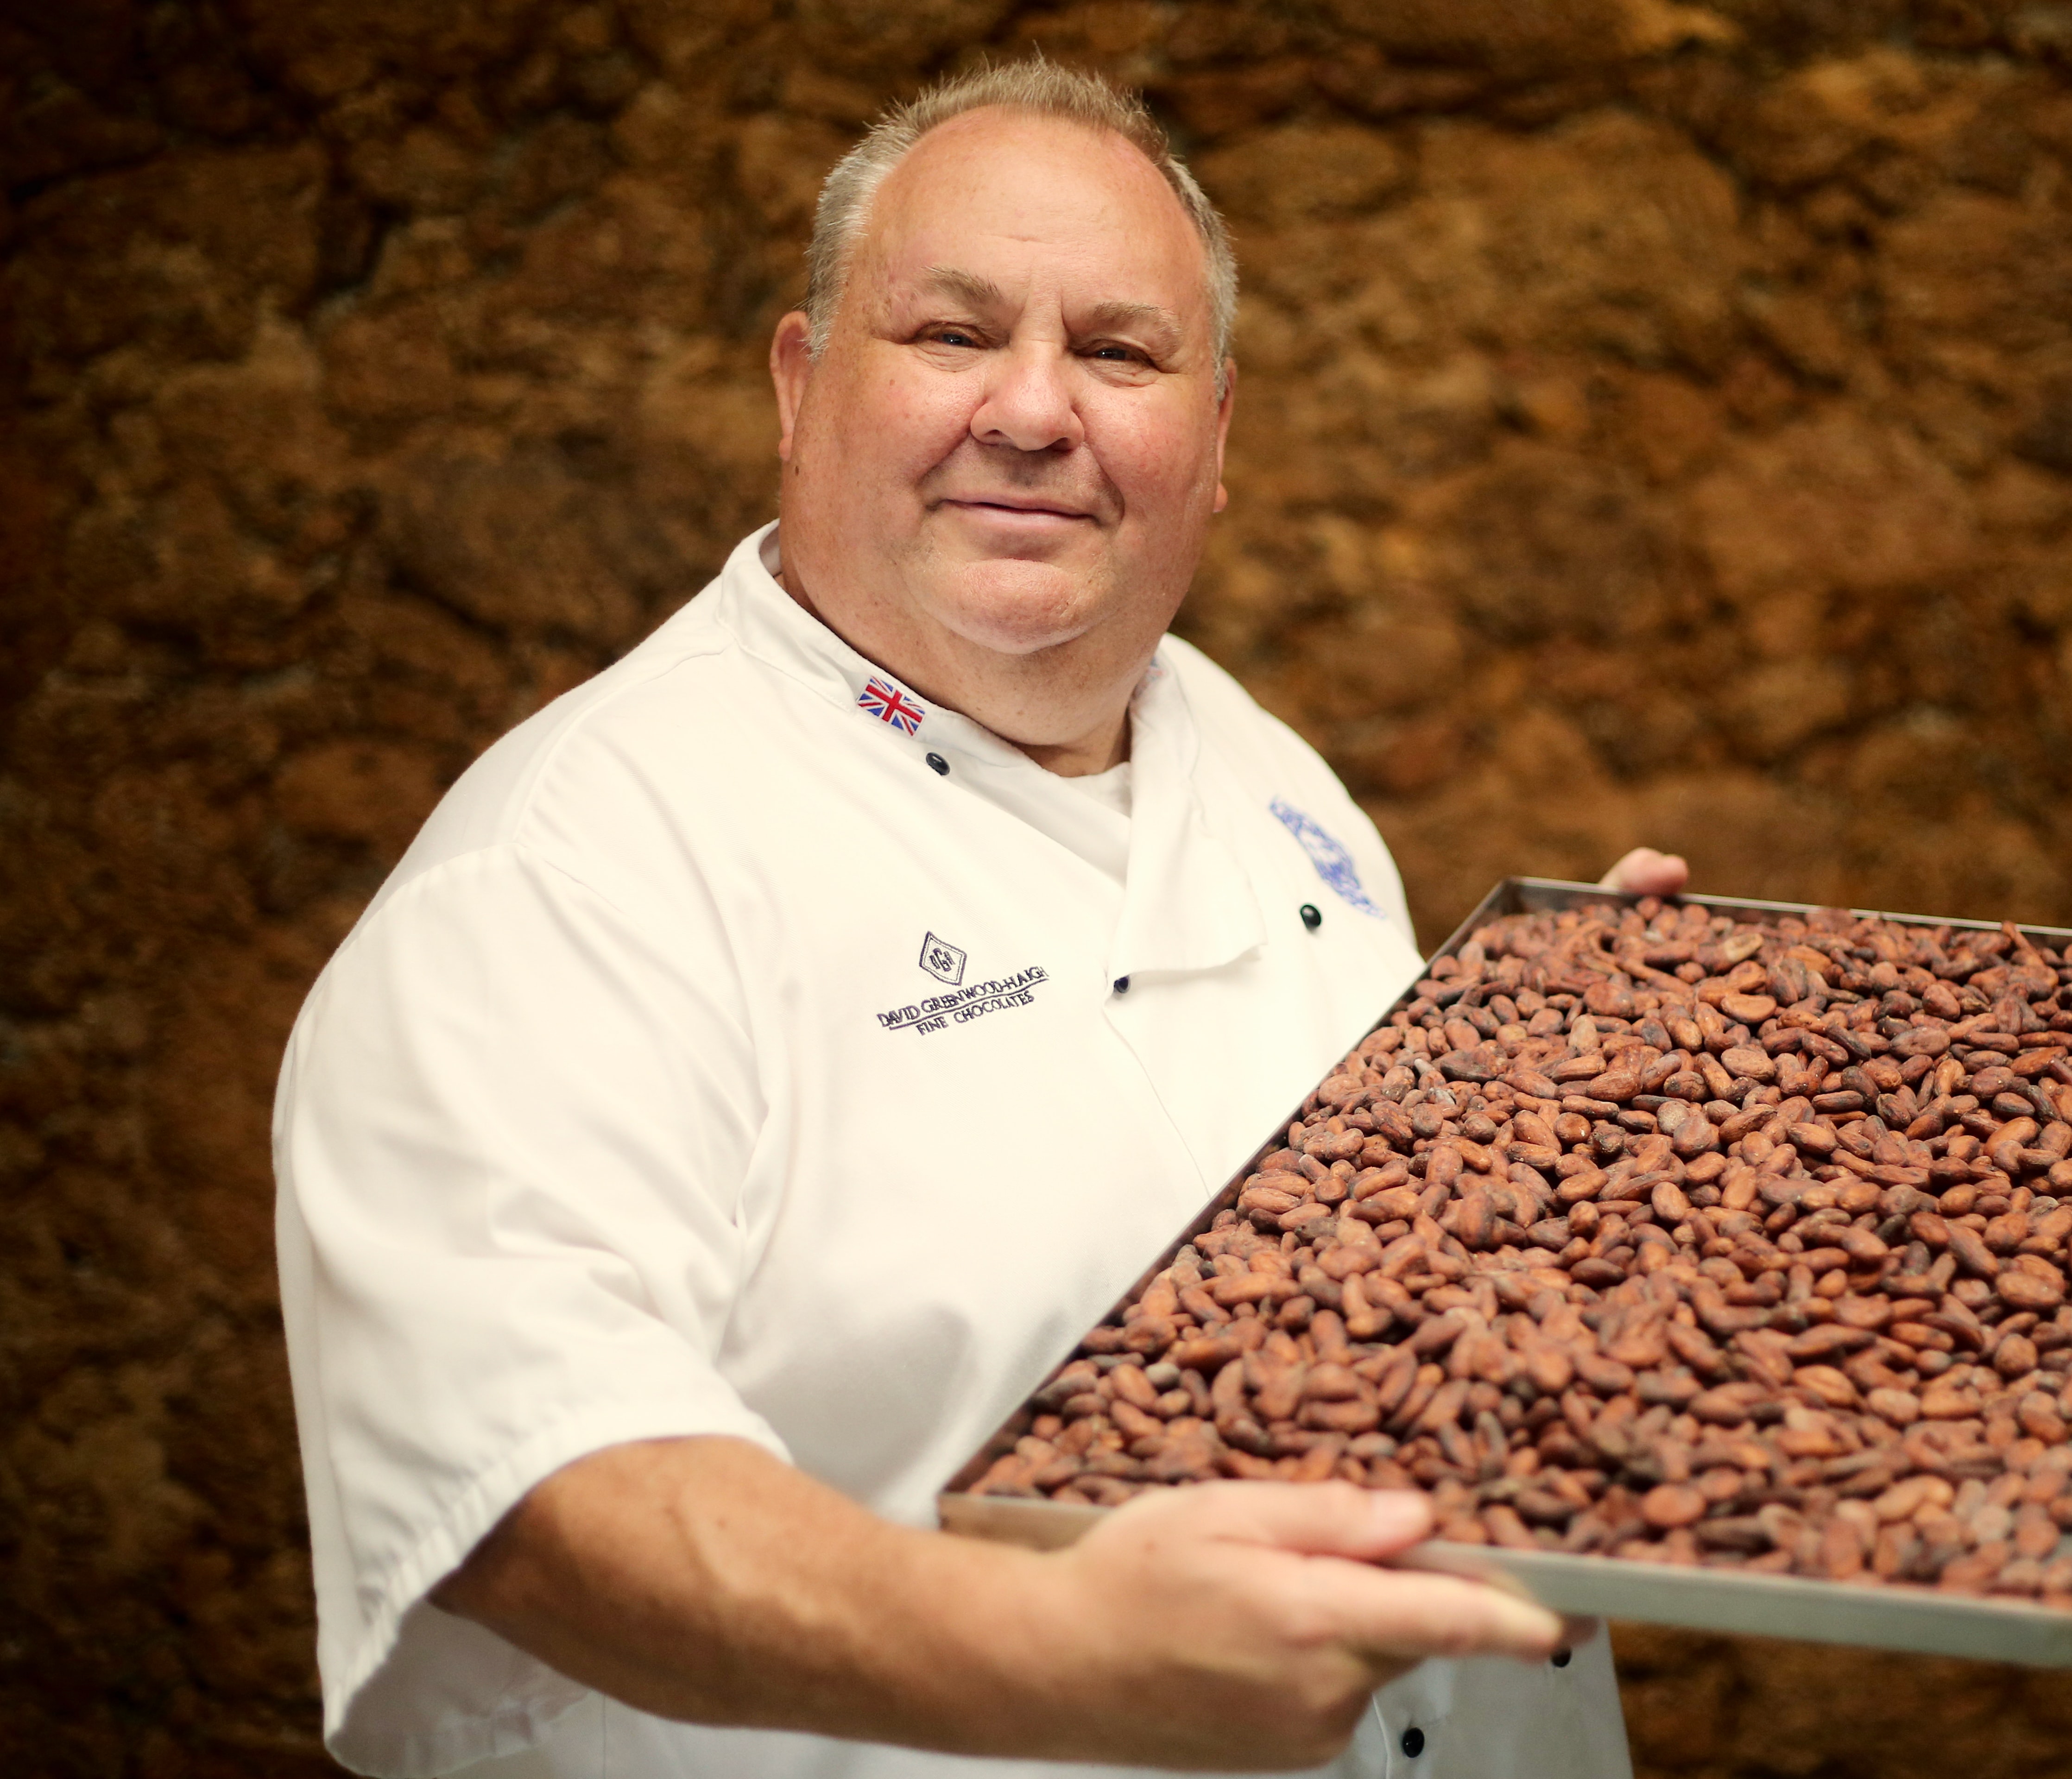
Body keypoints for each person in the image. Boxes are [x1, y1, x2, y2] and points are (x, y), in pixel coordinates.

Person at [275, 58, 1691, 1779]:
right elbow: (525, 1489)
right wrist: (1048, 1648)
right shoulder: (574, 869)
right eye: (952, 335)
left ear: (1218, 437)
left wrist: (1573, 1121)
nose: (1032, 410)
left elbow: (1339, 1291)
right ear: (802, 388)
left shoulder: (1262, 764)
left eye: (1117, 351)